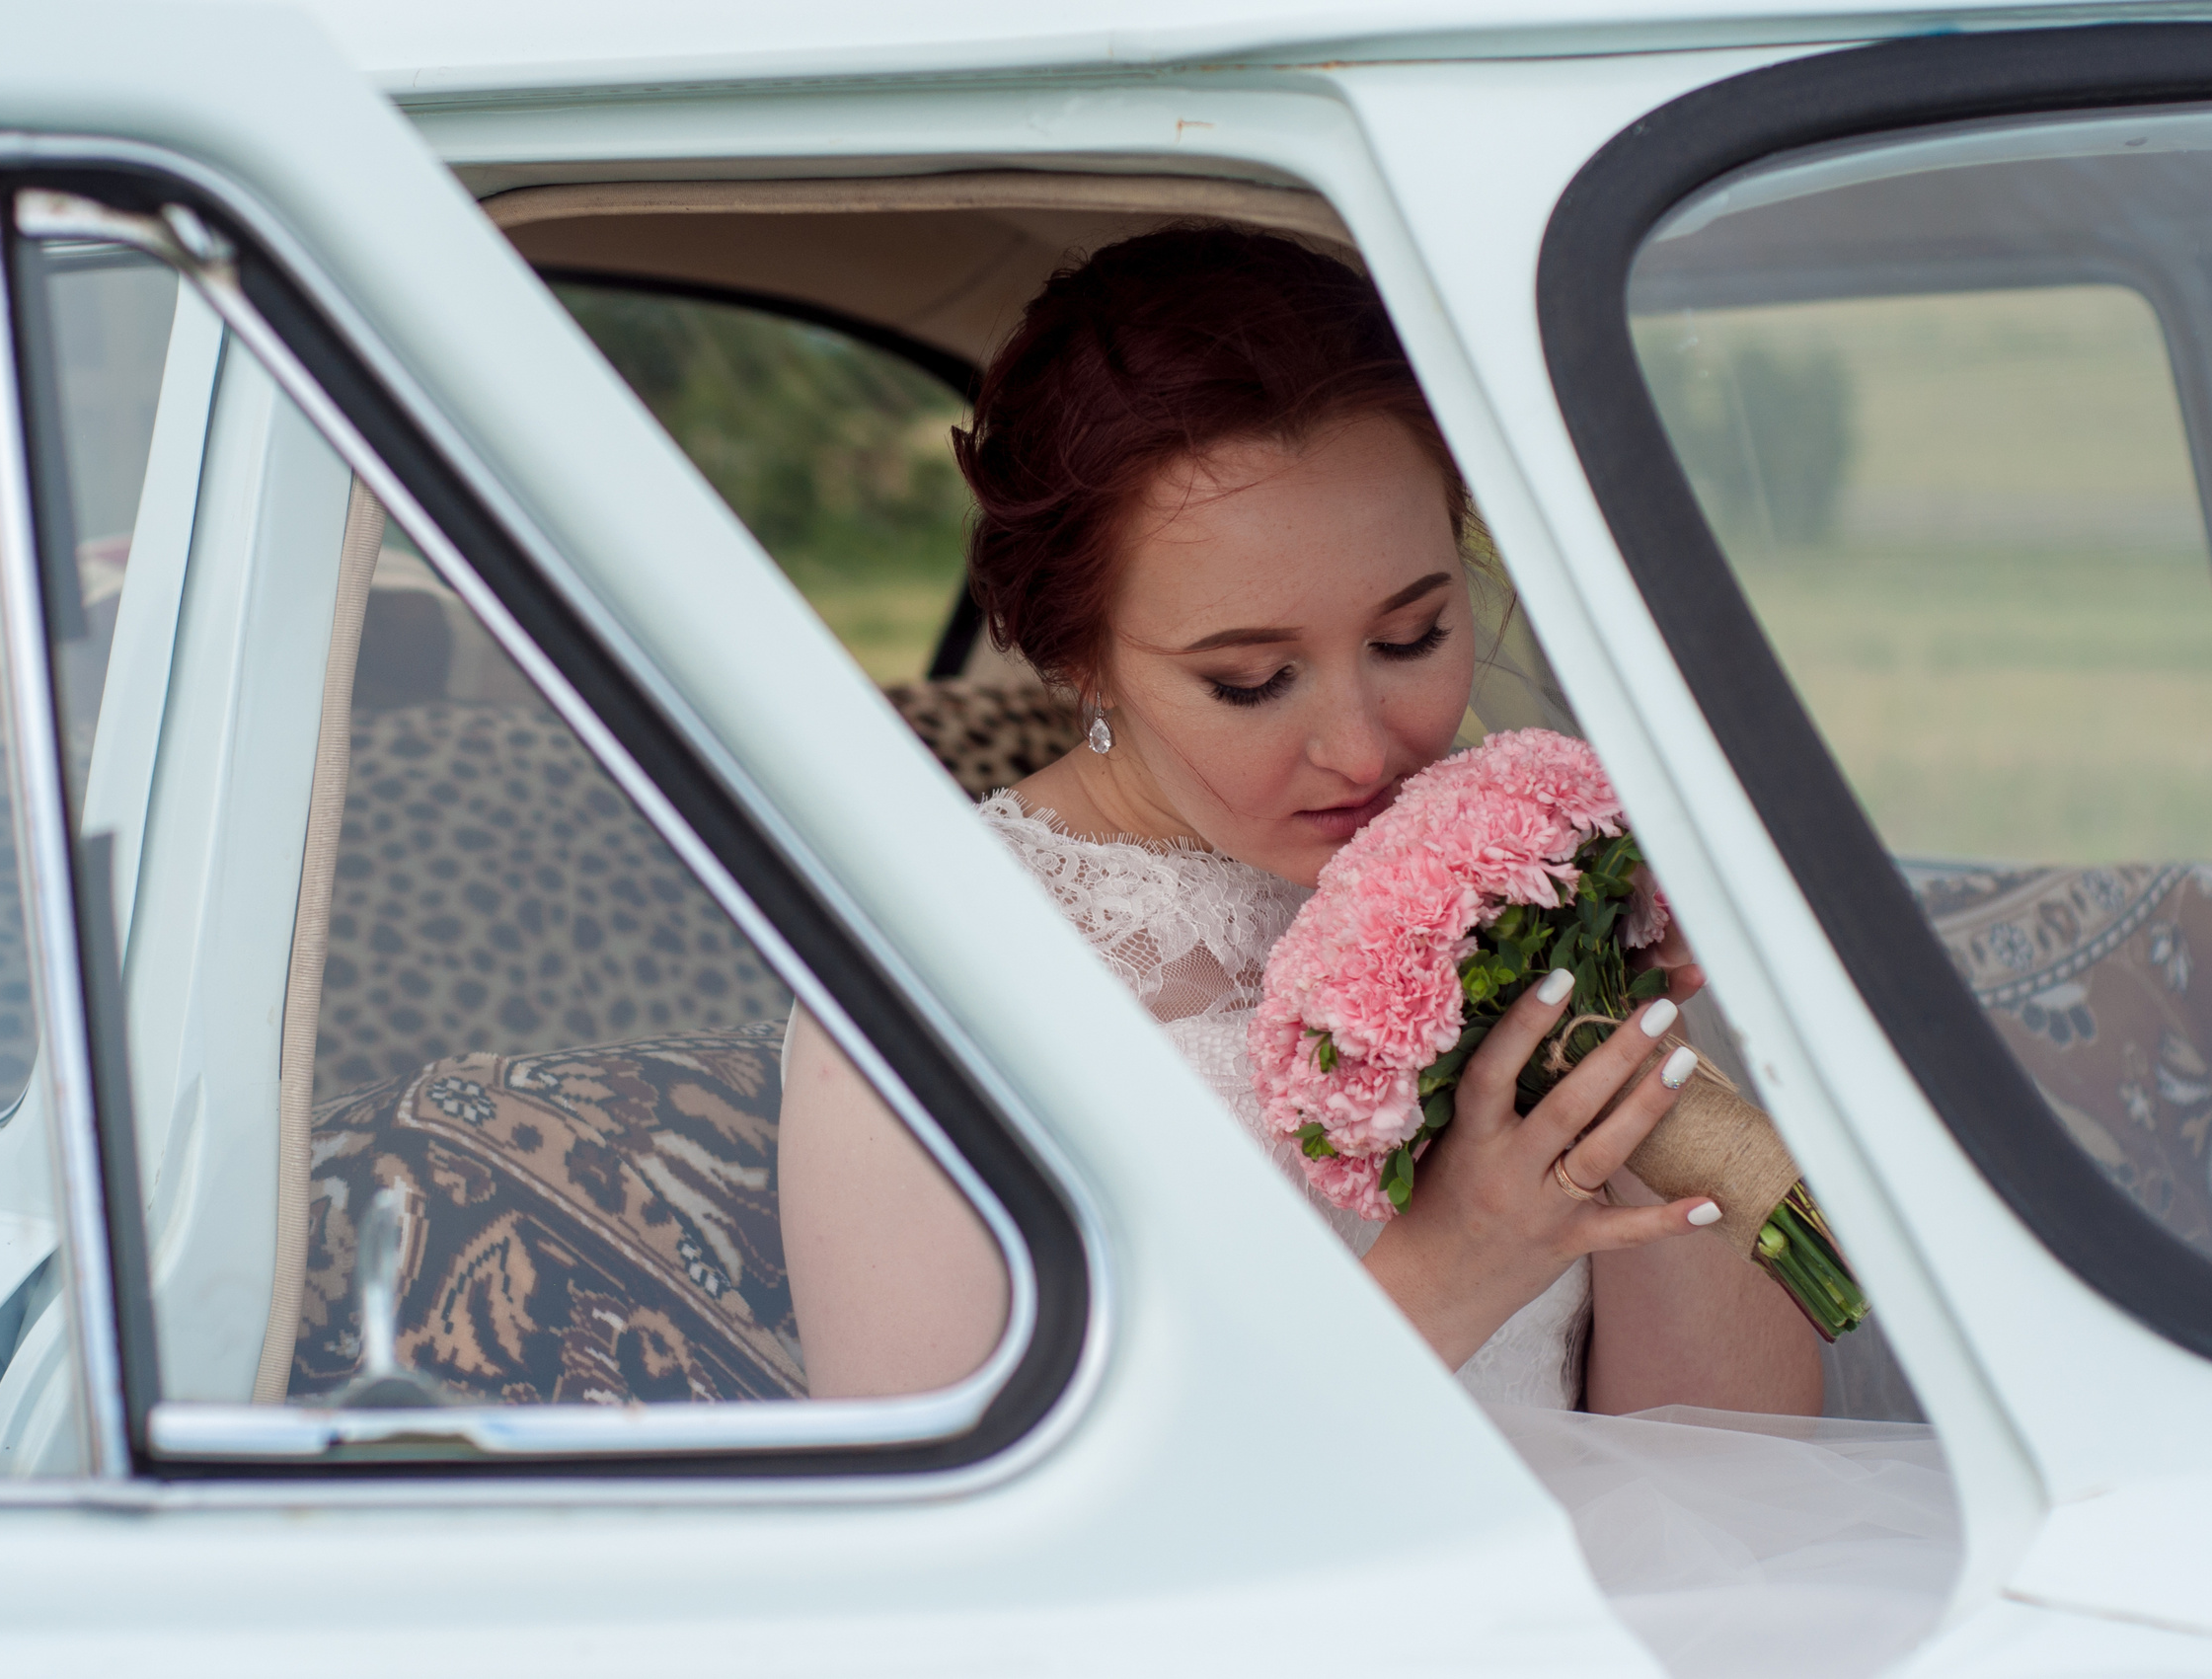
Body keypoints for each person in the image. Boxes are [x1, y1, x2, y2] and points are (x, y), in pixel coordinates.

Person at [777, 226, 1958, 1679]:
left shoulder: (1509, 869)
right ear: (1076, 653)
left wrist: (1638, 1065)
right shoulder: (929, 984)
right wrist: (1454, 1262)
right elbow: (964, 1592)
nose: (1363, 746)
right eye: (1249, 679)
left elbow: (1729, 1465)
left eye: (1413, 634)